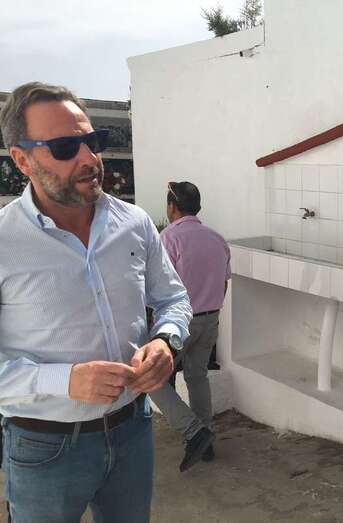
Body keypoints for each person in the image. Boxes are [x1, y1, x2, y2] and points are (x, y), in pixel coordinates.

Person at [0, 82, 192, 522]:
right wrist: (64, 380)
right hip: (43, 445)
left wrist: (165, 341)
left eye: (93, 141)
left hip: (132, 431)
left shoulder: (135, 223)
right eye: (66, 147)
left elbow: (173, 298)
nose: (89, 158)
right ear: (22, 160)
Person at [149, 181, 231, 472]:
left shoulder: (168, 238)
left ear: (172, 206)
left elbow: (157, 286)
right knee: (197, 377)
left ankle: (194, 431)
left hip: (179, 323)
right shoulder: (217, 239)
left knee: (152, 380)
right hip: (211, 318)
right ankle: (204, 439)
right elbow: (223, 282)